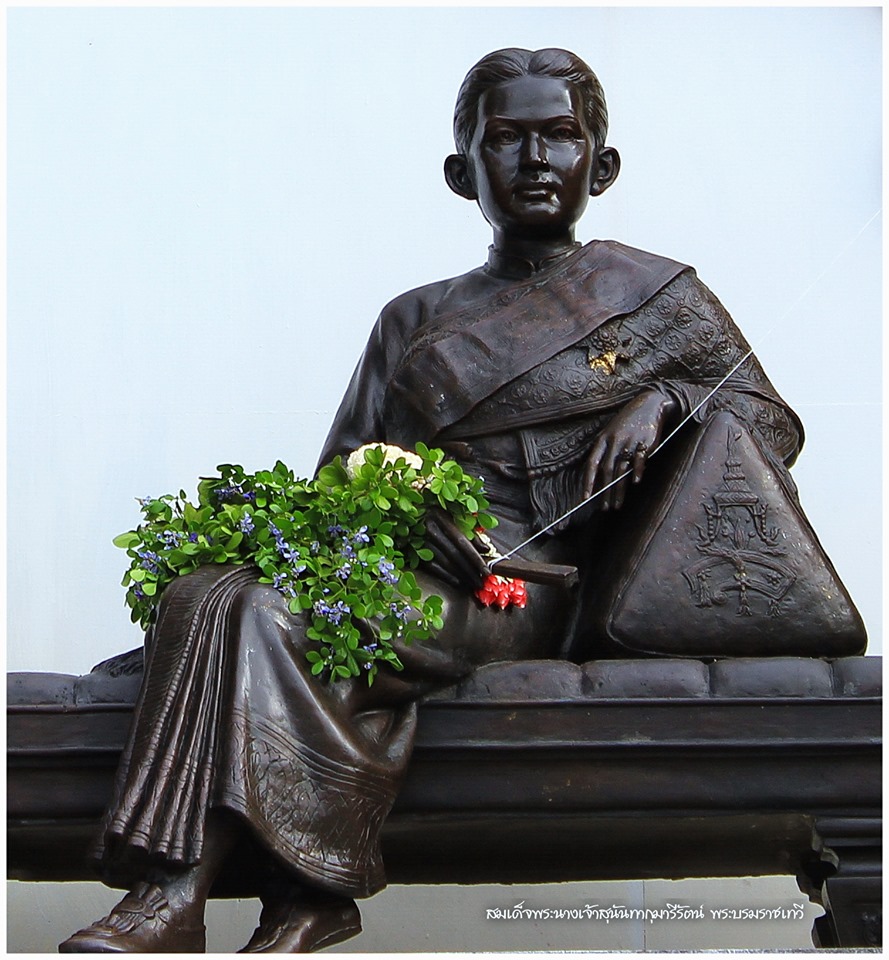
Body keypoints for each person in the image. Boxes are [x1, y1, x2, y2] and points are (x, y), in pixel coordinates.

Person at [60, 48, 802, 953]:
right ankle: (294, 897)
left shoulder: (656, 297)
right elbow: (339, 473)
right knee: (204, 594)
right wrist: (407, 503)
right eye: (506, 139)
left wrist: (667, 400)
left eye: (560, 137)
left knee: (261, 613)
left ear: (601, 165)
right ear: (462, 172)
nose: (535, 160)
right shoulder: (412, 318)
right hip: (400, 567)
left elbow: (767, 427)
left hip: (524, 588)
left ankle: (179, 895)